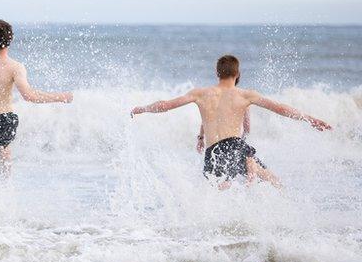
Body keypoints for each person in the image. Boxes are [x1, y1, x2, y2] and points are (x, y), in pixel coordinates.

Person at [131, 55, 331, 189]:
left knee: (222, 192)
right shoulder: (244, 96)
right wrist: (310, 119)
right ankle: (251, 167)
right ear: (237, 74)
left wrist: (143, 109)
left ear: (217, 73)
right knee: (275, 183)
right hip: (235, 146)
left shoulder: (201, 94)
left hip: (213, 153)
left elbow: (166, 105)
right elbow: (279, 108)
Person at [0, 20, 73, 176]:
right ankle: (6, 192)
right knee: (4, 151)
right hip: (4, 118)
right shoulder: (14, 67)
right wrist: (60, 97)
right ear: (10, 39)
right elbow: (29, 95)